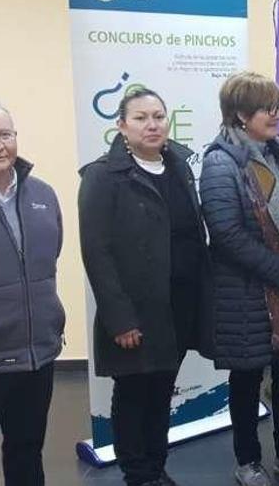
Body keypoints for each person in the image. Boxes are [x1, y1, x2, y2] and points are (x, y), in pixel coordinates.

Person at [198, 72, 279, 486]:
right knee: (248, 379)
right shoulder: (220, 162)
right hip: (247, 293)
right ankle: (247, 461)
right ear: (239, 114)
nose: (277, 114)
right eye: (267, 108)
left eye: (278, 106)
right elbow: (227, 235)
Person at [79, 88, 209, 486]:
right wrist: (120, 319)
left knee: (162, 390)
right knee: (134, 393)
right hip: (136, 311)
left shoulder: (178, 166)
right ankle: (137, 473)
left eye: (158, 116)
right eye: (140, 117)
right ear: (121, 126)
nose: (151, 124)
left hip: (180, 305)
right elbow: (96, 254)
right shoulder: (103, 177)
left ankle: (156, 466)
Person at [0, 96, 65, 486]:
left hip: (35, 353)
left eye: (4, 134)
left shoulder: (42, 194)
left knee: (26, 451)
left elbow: (48, 260)